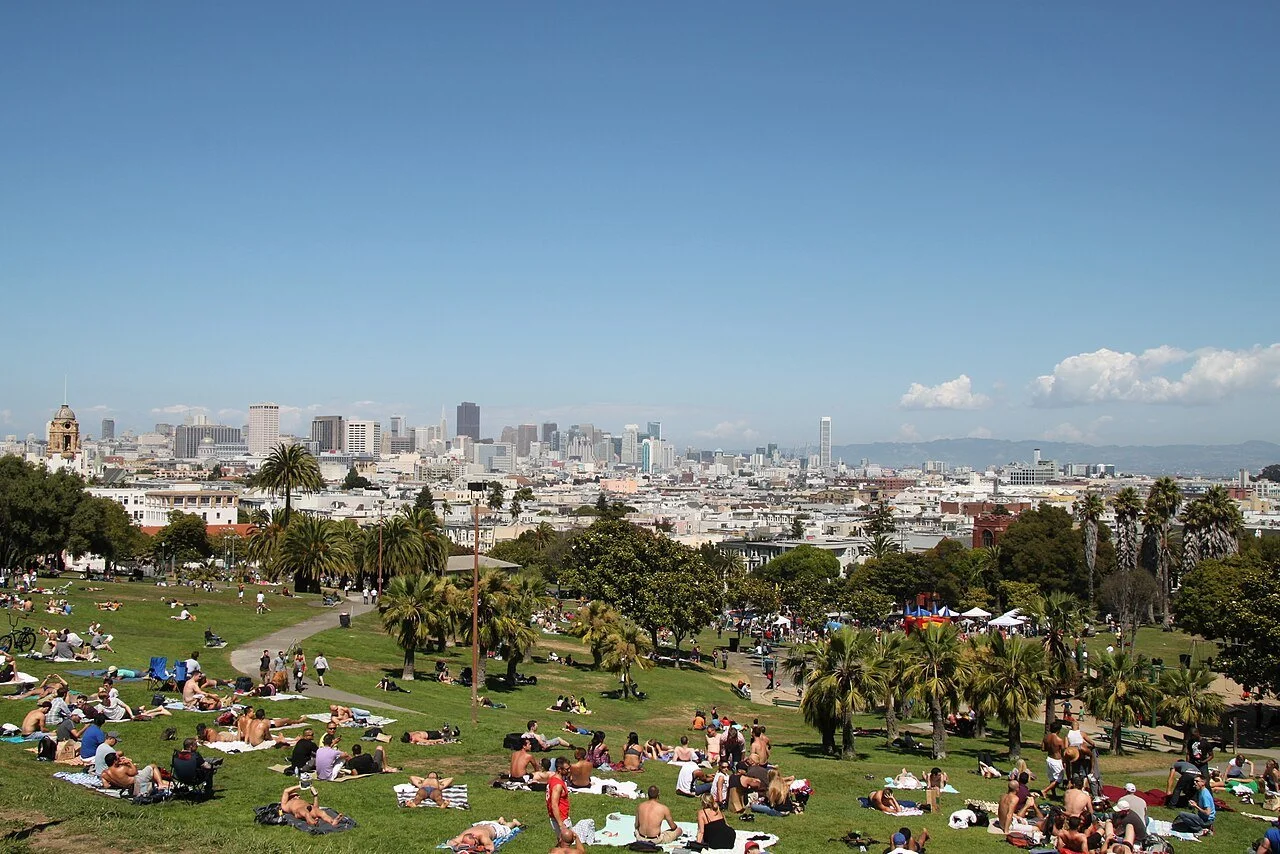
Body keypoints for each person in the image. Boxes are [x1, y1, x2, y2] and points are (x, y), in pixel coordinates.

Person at [101, 752, 170, 798]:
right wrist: (129, 763)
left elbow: (106, 786)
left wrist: (117, 783)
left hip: (127, 787)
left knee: (149, 774)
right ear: (114, 761)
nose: (120, 760)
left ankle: (165, 783)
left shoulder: (104, 774)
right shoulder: (122, 769)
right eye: (118, 758)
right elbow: (135, 772)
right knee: (153, 766)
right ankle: (161, 784)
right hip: (137, 782)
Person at [447, 818, 522, 852]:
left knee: (507, 826)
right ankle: (500, 820)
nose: (476, 845)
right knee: (492, 822)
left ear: (475, 837)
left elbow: (490, 846)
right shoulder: (464, 836)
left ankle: (514, 822)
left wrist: (484, 849)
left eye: (475, 843)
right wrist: (457, 845)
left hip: (496, 828)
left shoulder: (482, 836)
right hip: (482, 824)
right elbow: (450, 842)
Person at [546, 757, 572, 840]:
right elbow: (554, 805)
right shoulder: (558, 785)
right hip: (561, 819)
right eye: (567, 769)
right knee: (567, 843)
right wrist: (561, 825)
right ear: (559, 769)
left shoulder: (553, 779)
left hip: (558, 818)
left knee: (562, 842)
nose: (569, 771)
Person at [1041, 721, 1066, 799]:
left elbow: (1043, 749)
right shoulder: (1059, 740)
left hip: (1049, 758)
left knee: (1052, 778)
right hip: (1056, 760)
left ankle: (1053, 794)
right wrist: (1064, 762)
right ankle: (1045, 790)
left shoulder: (1046, 738)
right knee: (1058, 779)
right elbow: (1063, 752)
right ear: (1058, 730)